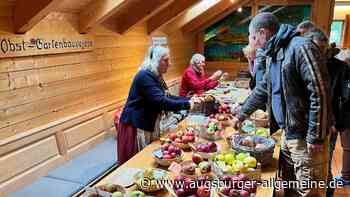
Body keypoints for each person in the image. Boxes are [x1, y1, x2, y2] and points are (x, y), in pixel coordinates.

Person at [234, 13, 332, 197]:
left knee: (309, 190)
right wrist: (242, 113)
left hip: (305, 136)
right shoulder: (275, 52)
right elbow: (264, 88)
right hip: (288, 131)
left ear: (263, 33)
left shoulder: (301, 47)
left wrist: (316, 136)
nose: (252, 42)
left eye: (253, 37)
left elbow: (320, 92)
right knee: (289, 186)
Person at [117, 46, 199, 165]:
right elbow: (161, 101)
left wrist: (188, 99)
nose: (169, 64)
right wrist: (187, 104)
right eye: (166, 60)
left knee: (150, 159)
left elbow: (167, 96)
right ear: (155, 61)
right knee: (139, 162)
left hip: (146, 122)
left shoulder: (155, 76)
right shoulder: (144, 76)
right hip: (137, 125)